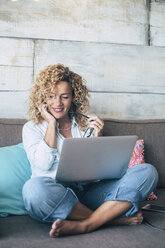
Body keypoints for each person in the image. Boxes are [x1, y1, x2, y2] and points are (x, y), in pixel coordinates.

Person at [22, 64, 158, 237]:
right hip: (57, 194)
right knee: (33, 190)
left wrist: (97, 137)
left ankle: (86, 224)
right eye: (51, 96)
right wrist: (51, 124)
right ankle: (113, 219)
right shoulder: (31, 128)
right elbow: (43, 164)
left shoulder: (84, 125)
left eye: (64, 97)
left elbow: (99, 171)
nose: (57, 103)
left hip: (90, 192)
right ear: (42, 99)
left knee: (147, 171)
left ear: (73, 98)